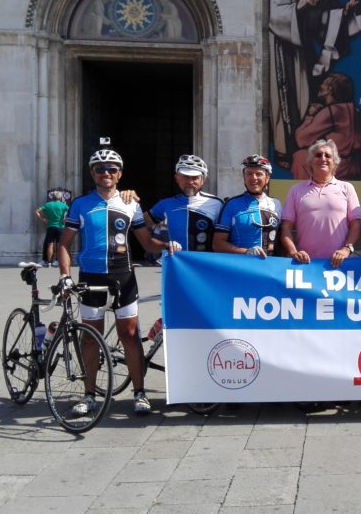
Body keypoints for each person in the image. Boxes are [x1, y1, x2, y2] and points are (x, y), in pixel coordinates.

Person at [57, 149, 171, 417]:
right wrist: (65, 275)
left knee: (129, 335)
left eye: (111, 169)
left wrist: (169, 245)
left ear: (119, 173)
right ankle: (89, 394)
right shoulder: (80, 204)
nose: (105, 173)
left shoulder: (131, 203)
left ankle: (140, 393)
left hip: (123, 277)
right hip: (91, 277)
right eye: (100, 169)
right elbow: (64, 244)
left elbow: (146, 242)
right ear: (91, 173)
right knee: (89, 337)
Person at [269, 0, 361, 168]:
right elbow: (275, 16)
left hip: (305, 53)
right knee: (289, 97)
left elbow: (327, 24)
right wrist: (301, 7)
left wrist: (348, 13)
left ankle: (301, 147)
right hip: (285, 52)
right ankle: (285, 150)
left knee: (307, 95)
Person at [280, 139, 361, 267]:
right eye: (318, 155)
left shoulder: (347, 188)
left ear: (335, 163)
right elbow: (286, 227)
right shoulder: (296, 190)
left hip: (340, 264)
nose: (323, 158)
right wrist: (294, 252)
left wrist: (346, 249)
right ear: (310, 162)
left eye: (328, 156)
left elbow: (356, 224)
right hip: (305, 265)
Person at [291, 72, 361, 180]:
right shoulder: (352, 110)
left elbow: (301, 139)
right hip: (351, 166)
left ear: (330, 88)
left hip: (336, 167)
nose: (320, 86)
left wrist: (310, 116)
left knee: (300, 156)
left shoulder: (332, 111)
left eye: (324, 83)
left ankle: (304, 193)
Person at [145, 155, 223, 253]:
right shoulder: (165, 204)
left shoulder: (217, 204)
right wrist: (162, 246)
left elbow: (228, 237)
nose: (190, 182)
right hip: (176, 264)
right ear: (177, 178)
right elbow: (137, 226)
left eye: (195, 177)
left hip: (204, 265)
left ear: (202, 179)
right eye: (185, 177)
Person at [214, 155, 283, 256]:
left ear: (267, 178)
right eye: (249, 174)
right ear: (244, 177)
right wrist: (246, 252)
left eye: (258, 174)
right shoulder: (231, 204)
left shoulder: (276, 204)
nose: (253, 178)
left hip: (268, 268)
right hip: (241, 268)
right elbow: (217, 244)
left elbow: (281, 241)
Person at [36, 191, 68, 267]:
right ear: (60, 197)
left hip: (50, 226)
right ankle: (57, 261)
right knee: (59, 244)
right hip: (60, 226)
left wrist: (43, 219)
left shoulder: (48, 205)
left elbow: (37, 211)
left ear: (52, 197)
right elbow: (72, 210)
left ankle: (49, 262)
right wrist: (66, 218)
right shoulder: (63, 205)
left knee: (50, 244)